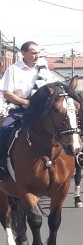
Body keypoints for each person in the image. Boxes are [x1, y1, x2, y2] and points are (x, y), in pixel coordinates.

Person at [0, 41, 61, 174]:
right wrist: (25, 102)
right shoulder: (13, 70)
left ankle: (76, 158)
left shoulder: (44, 70)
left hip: (42, 111)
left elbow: (55, 87)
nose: (37, 55)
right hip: (19, 110)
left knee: (64, 126)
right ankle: (2, 164)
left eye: (38, 53)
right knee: (4, 129)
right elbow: (7, 93)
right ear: (24, 53)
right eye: (33, 53)